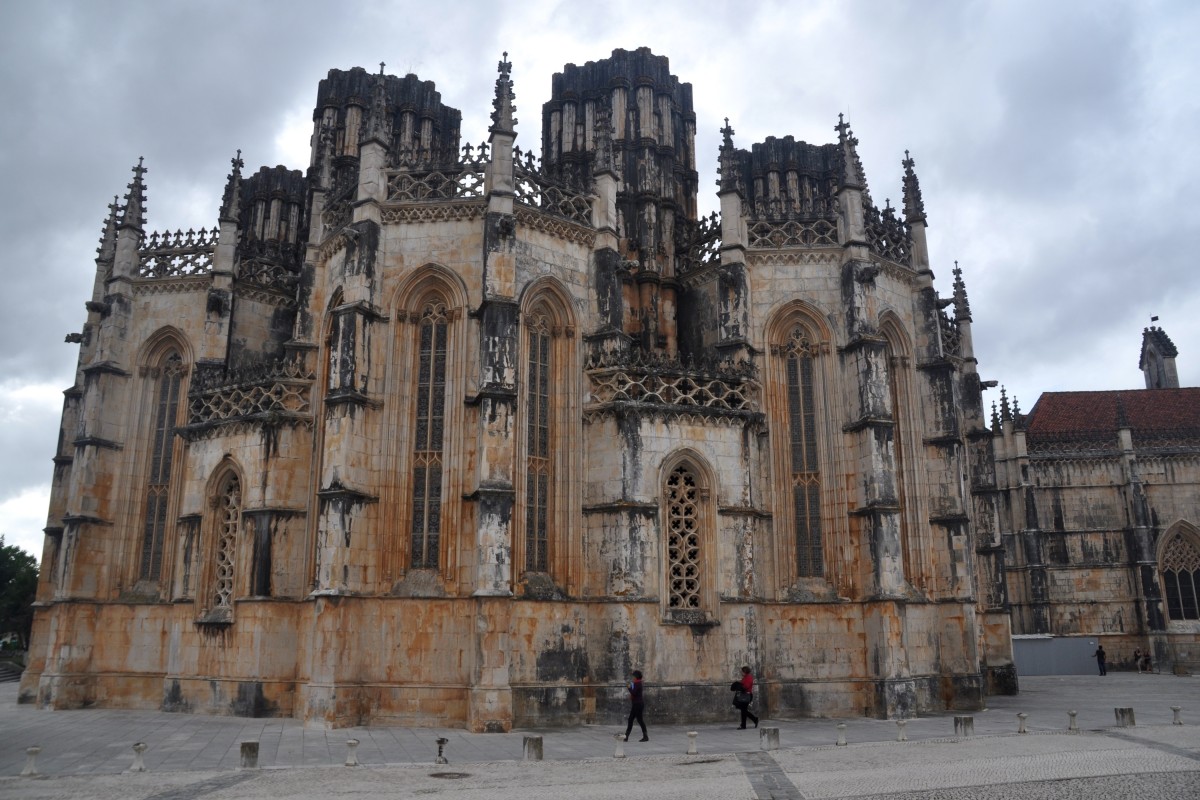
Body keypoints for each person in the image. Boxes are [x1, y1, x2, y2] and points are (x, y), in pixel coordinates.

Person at [624, 670, 648, 742]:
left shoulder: (638, 684)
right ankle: (627, 736)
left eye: (633, 676)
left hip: (638, 704)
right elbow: (634, 693)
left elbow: (633, 692)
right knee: (635, 720)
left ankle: (627, 736)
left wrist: (629, 687)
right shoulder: (637, 683)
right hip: (637, 704)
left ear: (636, 677)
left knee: (636, 720)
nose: (633, 678)